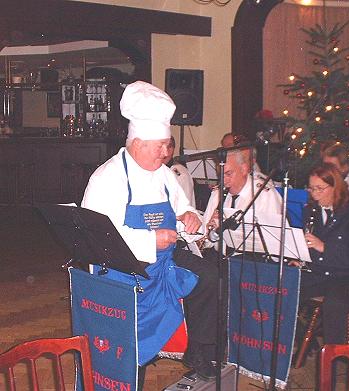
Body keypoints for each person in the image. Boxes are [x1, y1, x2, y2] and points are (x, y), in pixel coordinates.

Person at [81, 81, 218, 384]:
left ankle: (198, 351)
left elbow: (185, 213)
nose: (165, 154)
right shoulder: (108, 177)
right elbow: (98, 238)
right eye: (159, 147)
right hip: (123, 270)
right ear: (137, 143)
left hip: (164, 263)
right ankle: (134, 372)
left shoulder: (166, 175)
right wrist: (150, 239)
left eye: (167, 146)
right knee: (132, 342)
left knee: (209, 276)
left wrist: (189, 220)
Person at [298, 163, 349, 344]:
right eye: (311, 188)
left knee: (334, 304)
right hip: (321, 273)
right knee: (282, 285)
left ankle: (334, 359)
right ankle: (301, 341)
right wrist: (300, 256)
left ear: (336, 187)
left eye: (320, 188)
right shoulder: (310, 210)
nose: (314, 194)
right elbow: (310, 250)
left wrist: (324, 247)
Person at [202, 148, 282, 257]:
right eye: (220, 174)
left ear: (244, 169)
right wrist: (211, 230)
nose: (224, 180)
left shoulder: (264, 194)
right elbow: (205, 241)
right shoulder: (217, 194)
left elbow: (275, 242)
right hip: (219, 259)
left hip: (252, 261)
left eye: (228, 174)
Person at [163, 136, 196, 208]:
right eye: (162, 147)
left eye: (169, 147)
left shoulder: (180, 173)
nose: (166, 152)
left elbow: (186, 205)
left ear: (174, 149)